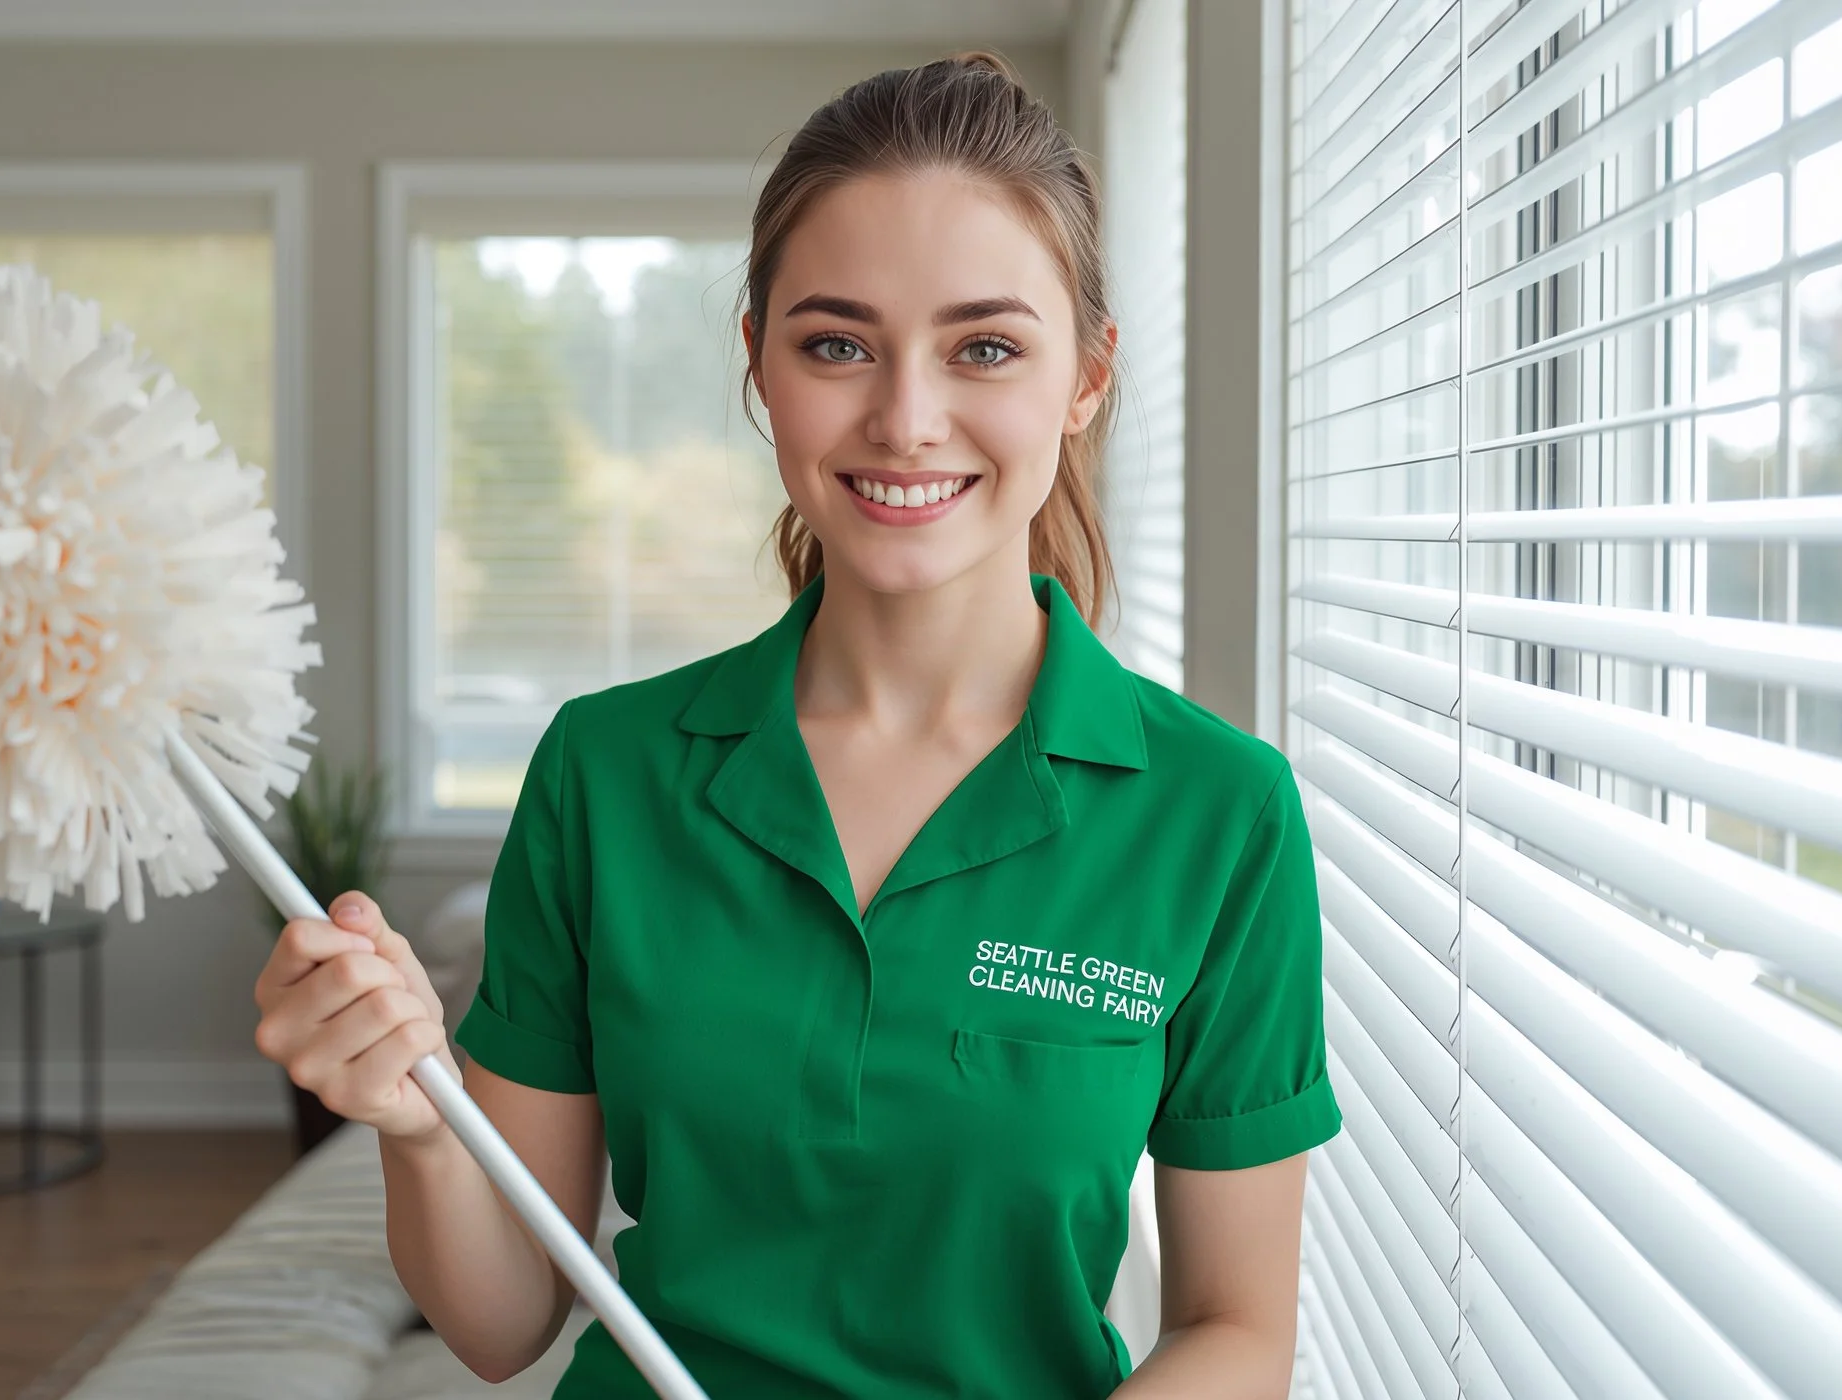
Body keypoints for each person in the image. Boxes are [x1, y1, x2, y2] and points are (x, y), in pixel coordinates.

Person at [253, 51, 1340, 1399]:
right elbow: (501, 1323)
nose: (906, 419)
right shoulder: (606, 775)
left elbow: (1239, 1332)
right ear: (762, 365)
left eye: (985, 347)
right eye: (837, 344)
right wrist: (420, 1126)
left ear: (1086, 379)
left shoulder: (1220, 814)